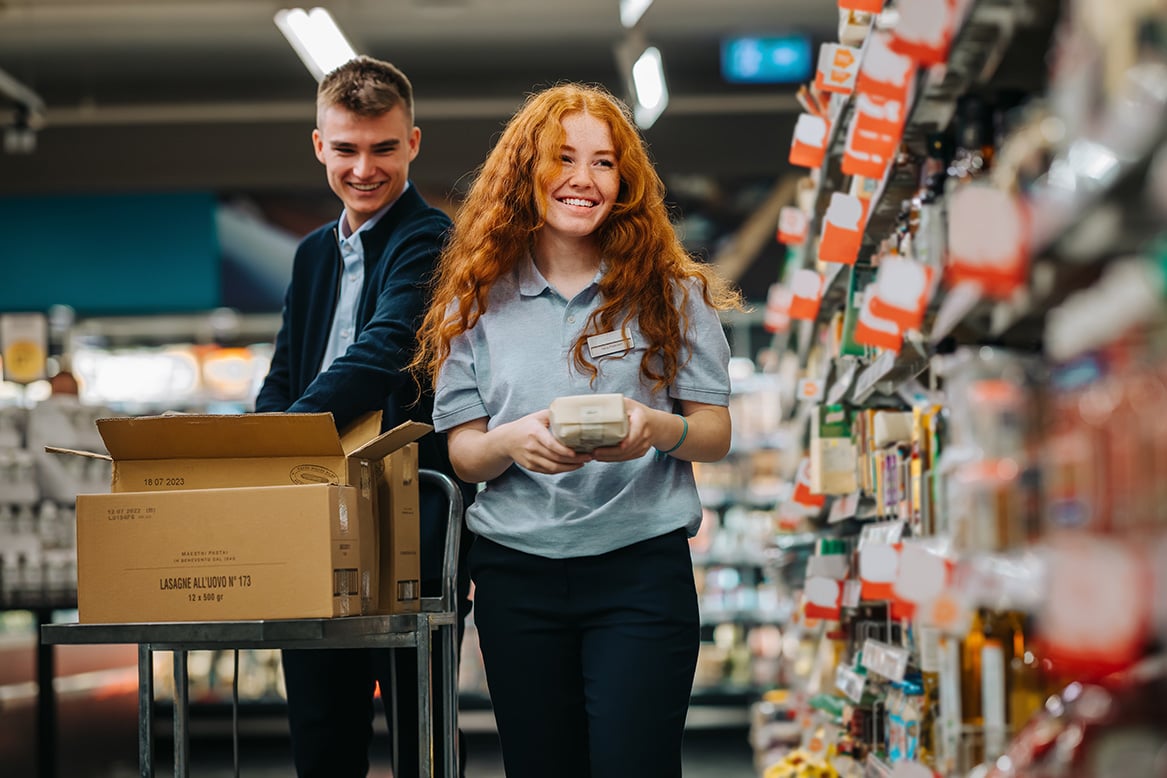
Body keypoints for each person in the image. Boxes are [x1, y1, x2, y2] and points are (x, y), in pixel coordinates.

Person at [411, 82, 744, 778]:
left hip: (639, 572)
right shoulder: (473, 302)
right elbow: (464, 454)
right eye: (563, 158)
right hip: (516, 580)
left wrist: (655, 428)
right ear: (524, 172)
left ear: (625, 181)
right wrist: (510, 442)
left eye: (603, 162)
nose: (582, 180)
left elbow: (713, 433)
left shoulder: (670, 293)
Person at [254, 55, 472, 778]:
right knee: (321, 725)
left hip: (410, 519)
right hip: (315, 520)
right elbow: (286, 370)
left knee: (421, 729)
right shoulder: (314, 253)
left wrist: (282, 435)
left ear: (413, 142)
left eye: (383, 148)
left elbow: (385, 353)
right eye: (345, 149)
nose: (363, 168)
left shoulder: (429, 238)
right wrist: (253, 443)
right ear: (319, 146)